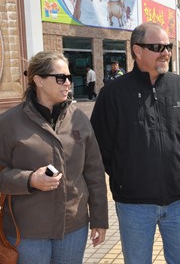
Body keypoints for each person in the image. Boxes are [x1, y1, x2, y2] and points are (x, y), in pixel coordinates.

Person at [90, 22, 180, 264]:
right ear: (137, 51)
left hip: (179, 201)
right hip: (134, 204)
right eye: (157, 47)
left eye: (168, 46)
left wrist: (175, 169)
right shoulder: (112, 94)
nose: (166, 52)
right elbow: (102, 147)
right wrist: (127, 175)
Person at [0, 51, 108, 263]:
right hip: (27, 230)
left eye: (69, 77)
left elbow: (94, 173)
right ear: (38, 80)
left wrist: (99, 220)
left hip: (73, 228)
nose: (68, 83)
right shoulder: (8, 123)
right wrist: (30, 180)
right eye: (61, 78)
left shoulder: (79, 119)